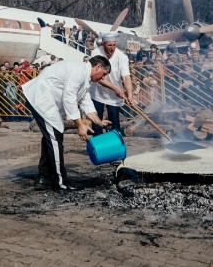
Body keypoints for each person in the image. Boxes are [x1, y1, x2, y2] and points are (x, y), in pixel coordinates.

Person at [22, 56, 112, 192]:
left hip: (45, 101)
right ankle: (60, 182)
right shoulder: (79, 71)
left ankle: (44, 178)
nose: (103, 78)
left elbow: (85, 101)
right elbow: (69, 98)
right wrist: (80, 125)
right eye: (104, 74)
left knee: (52, 138)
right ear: (97, 67)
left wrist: (98, 121)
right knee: (55, 140)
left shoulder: (85, 77)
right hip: (41, 99)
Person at [89, 32, 134, 135]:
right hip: (97, 91)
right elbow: (98, 77)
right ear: (103, 44)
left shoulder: (122, 57)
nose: (112, 48)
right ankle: (98, 144)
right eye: (109, 45)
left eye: (114, 45)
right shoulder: (96, 53)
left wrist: (130, 95)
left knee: (114, 120)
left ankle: (115, 144)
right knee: (96, 119)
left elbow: (126, 77)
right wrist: (115, 88)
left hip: (114, 95)